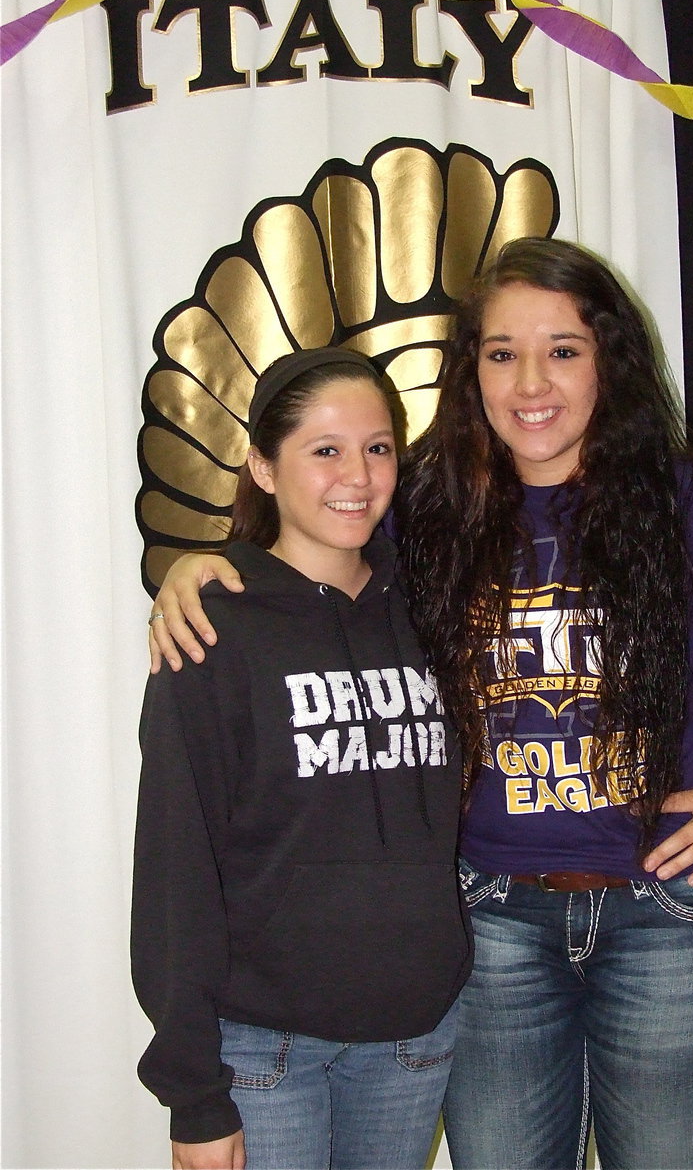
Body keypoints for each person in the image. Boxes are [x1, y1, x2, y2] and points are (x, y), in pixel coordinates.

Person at [148, 240, 693, 1170]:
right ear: (470, 370)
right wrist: (207, 562)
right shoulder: (424, 501)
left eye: (562, 349)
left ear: (609, 359)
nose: (530, 381)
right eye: (501, 352)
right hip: (490, 921)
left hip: (676, 915)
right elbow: (317, 537)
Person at [133, 348, 472, 1170]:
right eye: (324, 449)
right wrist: (192, 1093)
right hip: (262, 1049)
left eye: (379, 446)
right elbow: (176, 864)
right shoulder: (215, 630)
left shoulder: (433, 607)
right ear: (263, 466)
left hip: (413, 1035)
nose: (357, 473)